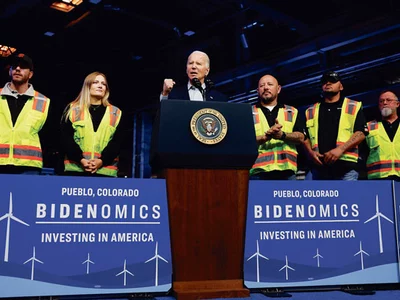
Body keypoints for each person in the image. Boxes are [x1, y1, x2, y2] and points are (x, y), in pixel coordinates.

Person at [303, 71, 368, 180]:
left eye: (332, 81)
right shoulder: (311, 110)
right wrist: (310, 152)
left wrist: (340, 150)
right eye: (324, 82)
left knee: (347, 197)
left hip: (346, 167)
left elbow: (361, 133)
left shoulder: (353, 106)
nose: (328, 83)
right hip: (319, 167)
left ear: (341, 86)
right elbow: (304, 137)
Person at [60, 72, 123, 177]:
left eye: (103, 84)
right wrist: (81, 159)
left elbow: (118, 142)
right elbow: (66, 139)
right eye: (95, 82)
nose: (100, 86)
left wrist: (101, 161)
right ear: (87, 86)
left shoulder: (116, 112)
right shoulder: (72, 109)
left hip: (105, 173)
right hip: (76, 171)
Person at [0, 53, 50, 175]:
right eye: (14, 66)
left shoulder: (43, 101)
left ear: (30, 74)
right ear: (10, 71)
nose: (17, 69)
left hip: (29, 166)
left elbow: (46, 135)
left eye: (23, 66)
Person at [250, 74, 306, 180]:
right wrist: (264, 137)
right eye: (262, 85)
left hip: (287, 172)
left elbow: (301, 137)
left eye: (270, 84)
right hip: (258, 172)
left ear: (278, 89)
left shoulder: (292, 111)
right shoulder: (248, 113)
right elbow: (243, 141)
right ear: (258, 91)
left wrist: (282, 135)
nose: (266, 87)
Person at [160, 50, 228, 102]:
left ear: (206, 71)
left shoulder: (219, 98)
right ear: (186, 69)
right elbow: (161, 117)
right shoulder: (173, 95)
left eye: (198, 64)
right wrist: (165, 94)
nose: (193, 66)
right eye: (190, 63)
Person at [365, 90, 400, 181]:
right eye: (381, 101)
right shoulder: (369, 127)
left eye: (388, 100)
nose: (384, 103)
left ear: (397, 104)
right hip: (377, 179)